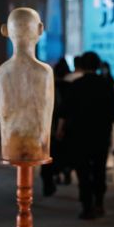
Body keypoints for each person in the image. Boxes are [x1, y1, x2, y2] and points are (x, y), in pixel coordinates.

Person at [57, 51, 114, 219]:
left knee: (83, 171)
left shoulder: (75, 85)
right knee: (99, 170)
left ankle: (87, 206)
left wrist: (60, 130)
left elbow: (64, 111)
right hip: (101, 134)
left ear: (81, 66)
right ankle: (99, 203)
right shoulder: (106, 85)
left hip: (79, 135)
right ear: (98, 65)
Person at [41, 58, 71, 196]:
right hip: (65, 128)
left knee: (48, 156)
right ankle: (64, 172)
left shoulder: (47, 87)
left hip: (48, 128)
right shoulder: (70, 87)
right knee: (63, 153)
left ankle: (48, 183)